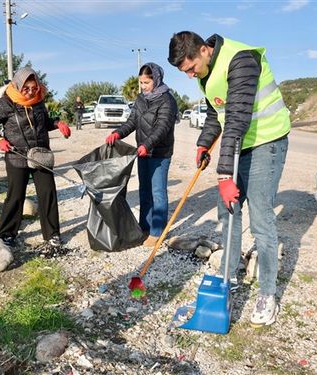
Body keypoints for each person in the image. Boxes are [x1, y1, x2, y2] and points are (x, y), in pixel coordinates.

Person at [168, 31, 290, 327]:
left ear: (203, 50)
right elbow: (216, 113)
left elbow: (236, 119)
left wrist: (224, 174)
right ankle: (228, 274)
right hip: (242, 143)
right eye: (184, 72)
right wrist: (203, 142)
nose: (189, 75)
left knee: (260, 216)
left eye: (190, 68)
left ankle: (267, 293)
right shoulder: (205, 74)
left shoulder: (241, 60)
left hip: (267, 140)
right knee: (228, 210)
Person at [0, 67, 71, 248]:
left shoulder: (38, 101)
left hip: (40, 155)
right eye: (26, 88)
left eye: (34, 88)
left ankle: (52, 234)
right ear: (17, 85)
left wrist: (57, 124)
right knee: (16, 196)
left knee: (48, 193)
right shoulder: (6, 103)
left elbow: (44, 122)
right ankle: (7, 233)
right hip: (17, 155)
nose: (31, 92)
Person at [104, 62, 178, 247]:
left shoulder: (167, 100)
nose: (143, 86)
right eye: (141, 83)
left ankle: (157, 231)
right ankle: (144, 226)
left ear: (156, 79)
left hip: (159, 153)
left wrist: (147, 144)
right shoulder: (140, 99)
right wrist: (117, 133)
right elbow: (132, 122)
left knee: (158, 192)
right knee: (144, 191)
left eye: (147, 82)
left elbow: (162, 128)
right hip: (143, 152)